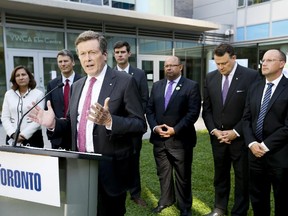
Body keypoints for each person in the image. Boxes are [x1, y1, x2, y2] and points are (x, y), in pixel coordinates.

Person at [28, 30, 146, 216]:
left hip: (111, 168)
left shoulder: (125, 82)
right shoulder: (77, 86)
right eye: (82, 54)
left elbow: (140, 124)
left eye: (92, 52)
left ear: (105, 55)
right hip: (81, 167)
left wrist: (110, 121)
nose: (87, 58)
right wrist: (53, 124)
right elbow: (71, 125)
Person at [202, 43, 259, 216]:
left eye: (224, 63)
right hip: (218, 139)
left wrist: (236, 132)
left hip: (241, 139)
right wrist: (214, 131)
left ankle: (239, 212)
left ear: (233, 58)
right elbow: (207, 110)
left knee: (242, 178)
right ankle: (220, 208)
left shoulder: (252, 76)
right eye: (217, 63)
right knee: (220, 175)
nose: (220, 67)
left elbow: (252, 110)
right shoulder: (210, 77)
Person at [146, 56, 201, 216]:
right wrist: (155, 127)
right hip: (159, 140)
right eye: (166, 66)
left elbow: (193, 113)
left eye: (172, 65)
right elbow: (149, 109)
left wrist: (175, 130)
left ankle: (184, 207)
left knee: (183, 176)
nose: (169, 68)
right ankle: (166, 200)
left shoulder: (191, 86)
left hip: (181, 140)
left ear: (181, 67)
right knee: (163, 173)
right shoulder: (157, 86)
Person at [242, 49, 288, 216]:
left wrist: (265, 145)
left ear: (282, 63)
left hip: (280, 157)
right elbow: (246, 119)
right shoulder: (255, 87)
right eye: (263, 60)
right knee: (258, 200)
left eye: (270, 60)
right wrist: (252, 143)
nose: (264, 63)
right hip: (255, 156)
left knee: (282, 201)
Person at [113, 41, 149, 207]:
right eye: (117, 52)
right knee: (116, 160)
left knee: (133, 160)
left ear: (129, 54)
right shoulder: (109, 74)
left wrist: (135, 118)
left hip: (133, 126)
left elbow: (143, 99)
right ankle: (117, 190)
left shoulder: (139, 74)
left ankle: (135, 194)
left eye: (122, 52)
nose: (120, 55)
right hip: (115, 126)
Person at [45, 49, 82, 149]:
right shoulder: (52, 84)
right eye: (60, 62)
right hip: (58, 134)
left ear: (73, 62)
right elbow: (48, 109)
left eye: (66, 61)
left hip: (78, 132)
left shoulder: (83, 81)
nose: (63, 64)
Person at [1, 65, 44, 147]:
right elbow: (5, 117)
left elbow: (39, 119)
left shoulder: (38, 94)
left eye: (23, 74)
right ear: (14, 79)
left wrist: (23, 135)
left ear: (29, 76)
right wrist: (13, 134)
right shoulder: (8, 94)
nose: (21, 78)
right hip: (12, 137)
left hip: (33, 137)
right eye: (17, 75)